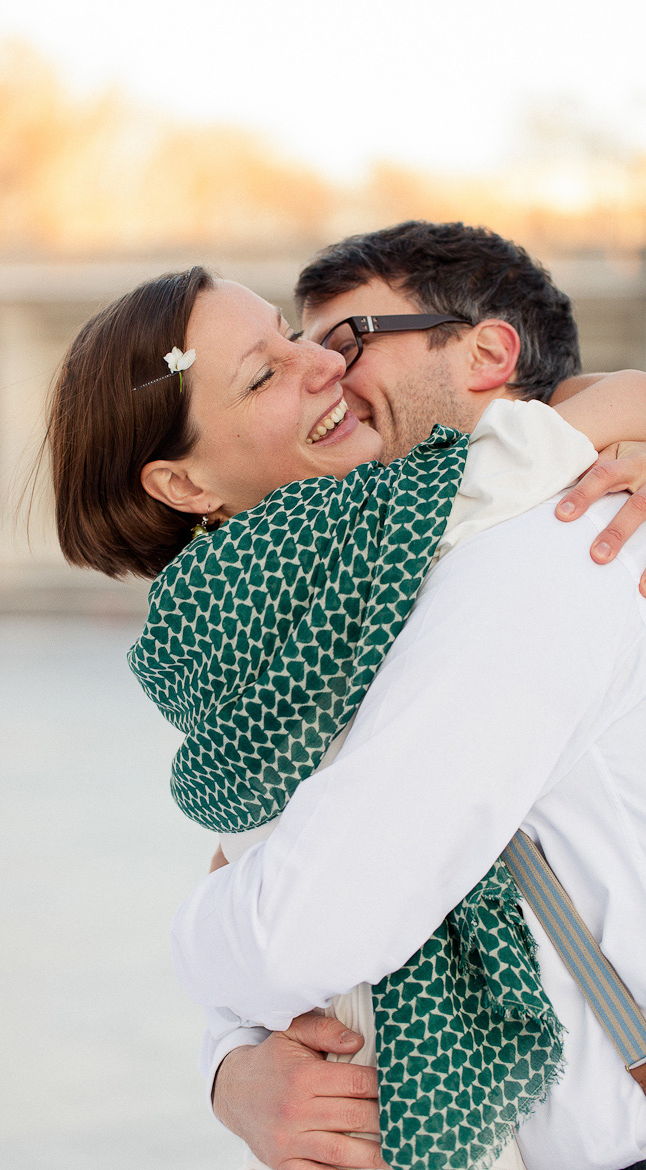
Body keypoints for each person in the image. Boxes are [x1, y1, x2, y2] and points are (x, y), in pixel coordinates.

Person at [43, 233, 646, 1169]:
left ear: (488, 353)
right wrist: (234, 1067)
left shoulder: (555, 542)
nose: (327, 366)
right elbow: (282, 868)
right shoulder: (324, 618)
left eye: (348, 338)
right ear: (184, 484)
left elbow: (301, 926)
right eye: (273, 364)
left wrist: (197, 949)